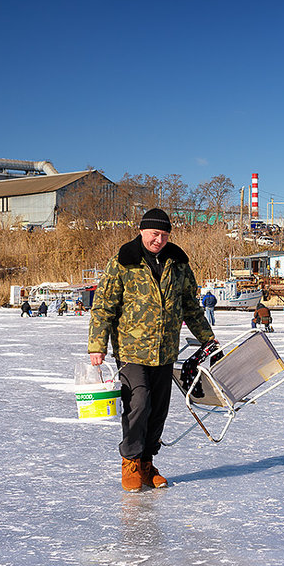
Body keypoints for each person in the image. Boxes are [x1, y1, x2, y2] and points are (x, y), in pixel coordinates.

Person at [88, 208, 216, 491]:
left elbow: (191, 308)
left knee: (158, 410)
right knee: (140, 403)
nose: (159, 240)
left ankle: (147, 463)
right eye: (154, 234)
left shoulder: (178, 263)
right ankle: (131, 461)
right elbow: (103, 307)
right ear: (142, 231)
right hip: (131, 350)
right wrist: (97, 345)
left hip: (165, 350)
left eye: (164, 235)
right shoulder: (123, 262)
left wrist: (208, 338)